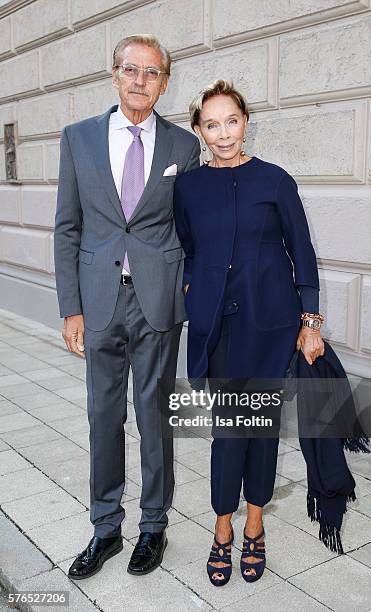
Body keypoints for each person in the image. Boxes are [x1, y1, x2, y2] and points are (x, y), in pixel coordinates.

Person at [54, 34, 200, 580]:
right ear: (113, 74)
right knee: (102, 416)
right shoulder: (78, 139)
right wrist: (72, 307)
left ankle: (154, 526)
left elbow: (191, 229)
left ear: (165, 81)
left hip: (158, 302)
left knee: (154, 417)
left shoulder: (184, 148)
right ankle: (106, 527)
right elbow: (67, 227)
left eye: (153, 72)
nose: (141, 80)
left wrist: (187, 286)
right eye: (131, 70)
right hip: (98, 302)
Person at [173, 80, 325, 586]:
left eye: (231, 121)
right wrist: (196, 291)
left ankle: (255, 525)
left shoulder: (275, 181)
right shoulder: (188, 187)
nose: (223, 133)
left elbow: (302, 252)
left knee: (260, 430)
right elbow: (191, 248)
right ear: (198, 130)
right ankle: (222, 527)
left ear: (245, 122)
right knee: (226, 430)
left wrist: (310, 321)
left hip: (271, 323)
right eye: (211, 124)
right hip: (217, 325)